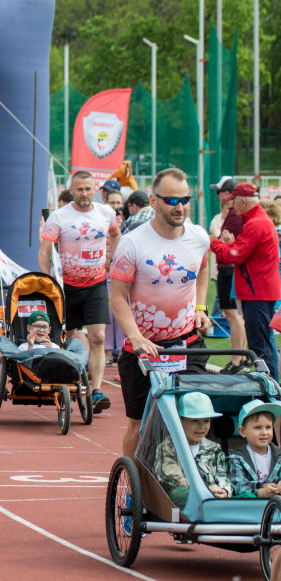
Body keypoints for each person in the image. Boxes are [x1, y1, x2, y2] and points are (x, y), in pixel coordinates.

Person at [110, 168, 212, 459]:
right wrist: (136, 336)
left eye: (185, 199)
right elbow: (117, 298)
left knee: (193, 413)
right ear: (153, 202)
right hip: (142, 351)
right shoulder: (133, 243)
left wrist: (201, 307)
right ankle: (132, 483)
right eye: (171, 200)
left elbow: (202, 269)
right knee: (138, 424)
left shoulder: (198, 237)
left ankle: (186, 479)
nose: (180, 207)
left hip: (186, 345)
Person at [39, 170, 119, 414]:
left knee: (98, 338)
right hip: (67, 286)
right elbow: (44, 251)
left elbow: (115, 234)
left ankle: (95, 392)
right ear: (71, 190)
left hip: (95, 284)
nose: (84, 193)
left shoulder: (106, 213)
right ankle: (71, 384)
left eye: (88, 188)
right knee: (70, 339)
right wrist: (46, 281)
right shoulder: (59, 217)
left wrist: (110, 258)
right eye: (80, 189)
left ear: (94, 188)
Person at [210, 182, 281, 380]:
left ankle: (269, 389)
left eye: (233, 201)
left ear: (242, 201)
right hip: (259, 290)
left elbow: (235, 254)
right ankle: (271, 387)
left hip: (257, 292)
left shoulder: (256, 223)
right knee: (263, 343)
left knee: (260, 346)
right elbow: (240, 252)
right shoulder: (257, 221)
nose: (231, 206)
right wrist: (227, 245)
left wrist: (214, 243)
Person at [152, 391, 231, 506]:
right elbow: (171, 478)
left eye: (206, 421)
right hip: (184, 499)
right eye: (195, 421)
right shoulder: (168, 447)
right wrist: (207, 489)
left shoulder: (215, 449)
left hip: (213, 497)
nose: (202, 427)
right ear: (180, 421)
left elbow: (223, 473)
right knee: (181, 493)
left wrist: (223, 490)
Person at [208, 177, 249, 374]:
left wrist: (214, 241)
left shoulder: (234, 215)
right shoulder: (235, 215)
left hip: (228, 269)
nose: (220, 196)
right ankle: (240, 358)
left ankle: (237, 360)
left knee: (233, 315)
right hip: (229, 268)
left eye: (222, 192)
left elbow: (227, 244)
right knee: (236, 316)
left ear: (228, 195)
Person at [229, 400, 281, 498]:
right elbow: (237, 487)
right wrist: (260, 491)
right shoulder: (237, 458)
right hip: (251, 506)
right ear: (243, 431)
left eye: (268, 427)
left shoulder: (278, 454)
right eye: (258, 428)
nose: (264, 432)